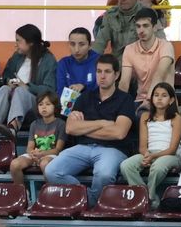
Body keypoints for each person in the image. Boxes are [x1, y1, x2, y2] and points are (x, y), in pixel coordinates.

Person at [46, 55, 138, 205]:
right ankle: (87, 198)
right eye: (99, 71)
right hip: (82, 147)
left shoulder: (125, 99)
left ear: (116, 75)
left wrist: (84, 128)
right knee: (52, 171)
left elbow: (119, 133)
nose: (102, 76)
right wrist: (103, 123)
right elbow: (70, 128)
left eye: (107, 72)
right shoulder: (84, 98)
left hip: (113, 149)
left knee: (104, 174)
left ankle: (90, 204)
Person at [0, 24, 57, 140]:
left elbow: (50, 89)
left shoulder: (48, 60)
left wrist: (27, 87)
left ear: (30, 43)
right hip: (11, 100)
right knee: (3, 89)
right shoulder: (17, 56)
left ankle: (13, 127)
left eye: (18, 41)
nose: (15, 44)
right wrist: (8, 82)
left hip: (35, 104)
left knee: (21, 92)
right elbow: (6, 75)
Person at [119, 82, 181, 200]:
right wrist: (147, 155)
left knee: (158, 167)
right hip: (150, 153)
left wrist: (153, 156)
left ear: (171, 100)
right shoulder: (145, 116)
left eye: (164, 96)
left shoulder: (176, 118)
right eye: (156, 95)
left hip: (170, 156)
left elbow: (172, 149)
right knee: (126, 165)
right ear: (152, 98)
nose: (159, 98)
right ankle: (142, 195)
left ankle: (150, 198)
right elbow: (142, 146)